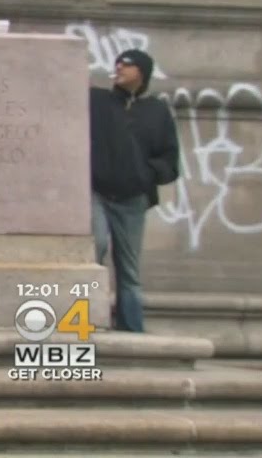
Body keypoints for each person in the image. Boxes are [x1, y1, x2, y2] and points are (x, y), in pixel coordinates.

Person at [87, 49, 180, 333]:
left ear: (142, 72)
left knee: (128, 268)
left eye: (127, 65)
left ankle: (131, 329)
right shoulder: (97, 101)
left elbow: (169, 158)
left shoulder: (156, 111)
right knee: (95, 248)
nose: (119, 68)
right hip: (98, 192)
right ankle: (86, 320)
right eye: (117, 63)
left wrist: (146, 175)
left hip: (132, 200)